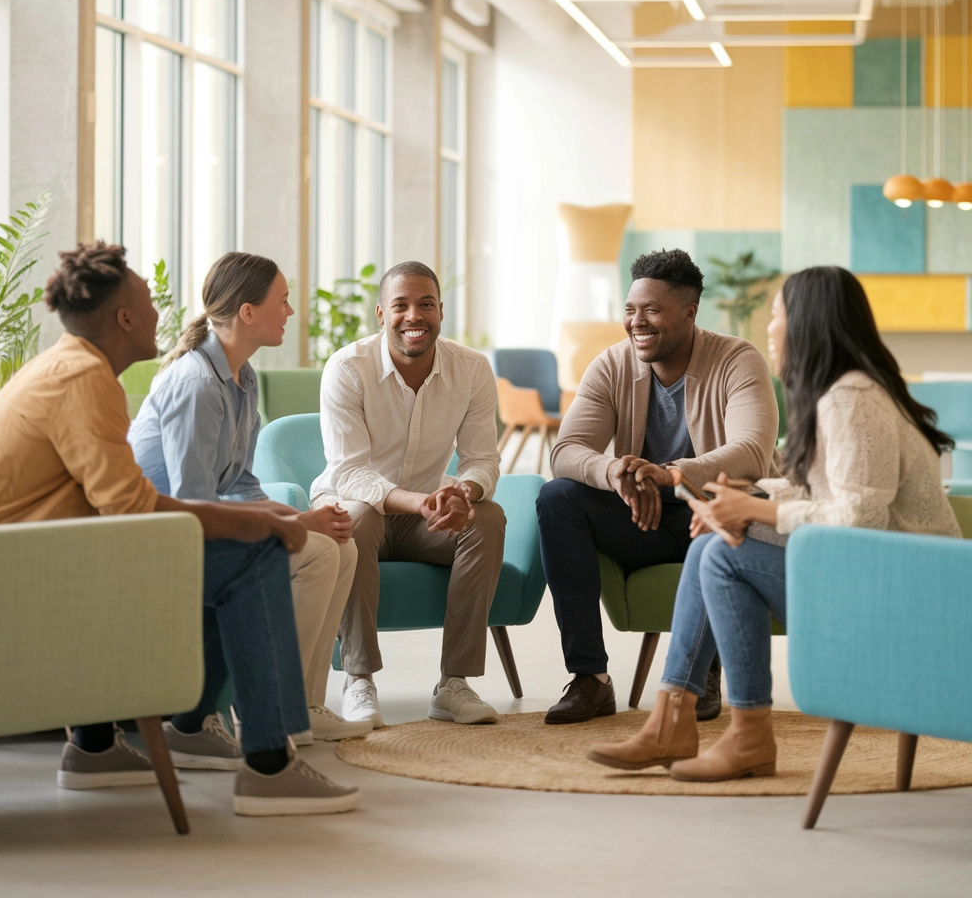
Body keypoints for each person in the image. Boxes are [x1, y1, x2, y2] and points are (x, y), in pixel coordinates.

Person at [0, 243, 360, 815]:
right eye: (147, 301)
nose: (162, 316)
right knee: (253, 554)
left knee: (237, 542)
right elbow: (133, 510)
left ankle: (96, 746)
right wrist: (261, 524)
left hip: (17, 565)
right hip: (14, 579)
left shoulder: (69, 367)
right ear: (124, 318)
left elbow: (121, 504)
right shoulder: (84, 380)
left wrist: (258, 515)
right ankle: (269, 763)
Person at [587, 266, 960, 781]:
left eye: (779, 314)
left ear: (809, 324)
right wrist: (747, 494)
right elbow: (823, 492)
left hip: (906, 604)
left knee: (719, 554)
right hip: (886, 583)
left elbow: (859, 516)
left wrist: (754, 510)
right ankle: (694, 725)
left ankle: (726, 733)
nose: (770, 327)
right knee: (715, 546)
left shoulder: (851, 399)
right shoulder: (844, 393)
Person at [129, 252, 368, 751]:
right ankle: (270, 711)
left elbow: (239, 484)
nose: (290, 311)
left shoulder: (244, 379)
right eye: (282, 301)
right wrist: (297, 521)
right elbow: (192, 498)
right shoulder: (196, 383)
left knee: (343, 548)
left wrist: (299, 518)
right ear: (247, 311)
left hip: (201, 522)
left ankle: (305, 704)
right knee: (320, 550)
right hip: (160, 535)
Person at [536, 249, 780, 725]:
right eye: (630, 310)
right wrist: (616, 474)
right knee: (557, 498)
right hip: (640, 515)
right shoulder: (610, 365)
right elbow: (566, 451)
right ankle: (590, 679)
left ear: (689, 313)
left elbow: (752, 451)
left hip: (711, 513)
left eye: (651, 310)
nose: (636, 322)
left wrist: (671, 473)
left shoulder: (737, 360)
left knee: (720, 505)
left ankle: (701, 674)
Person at [312, 261, 506, 727]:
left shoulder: (473, 369)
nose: (413, 316)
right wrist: (420, 501)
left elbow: (483, 458)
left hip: (425, 516)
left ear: (441, 311)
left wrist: (464, 491)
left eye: (425, 305)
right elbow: (350, 472)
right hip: (355, 506)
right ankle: (359, 679)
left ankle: (454, 684)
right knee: (357, 515)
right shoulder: (347, 367)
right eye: (400, 305)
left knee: (489, 518)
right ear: (381, 313)